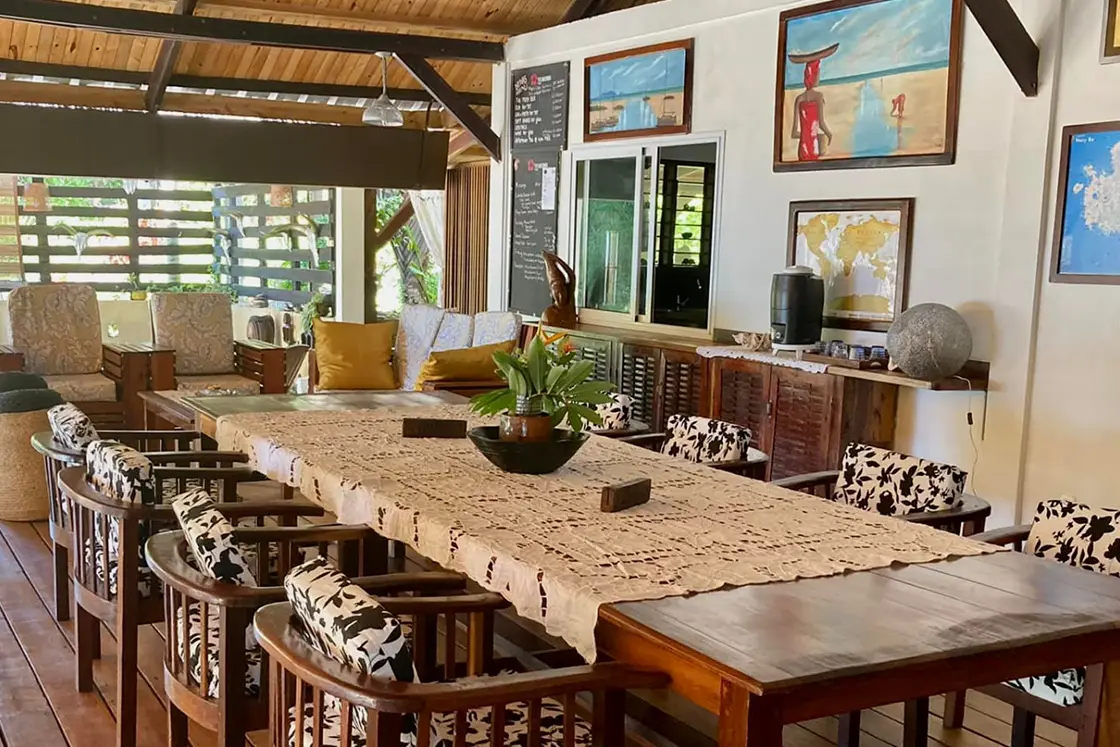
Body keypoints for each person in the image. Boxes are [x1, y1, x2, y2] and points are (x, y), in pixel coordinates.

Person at [791, 58, 833, 161]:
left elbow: (794, 133)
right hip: (813, 147)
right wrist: (829, 134)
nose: (819, 77)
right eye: (818, 73)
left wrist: (807, 135)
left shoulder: (799, 99)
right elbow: (821, 123)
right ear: (814, 76)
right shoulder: (818, 96)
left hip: (802, 148)